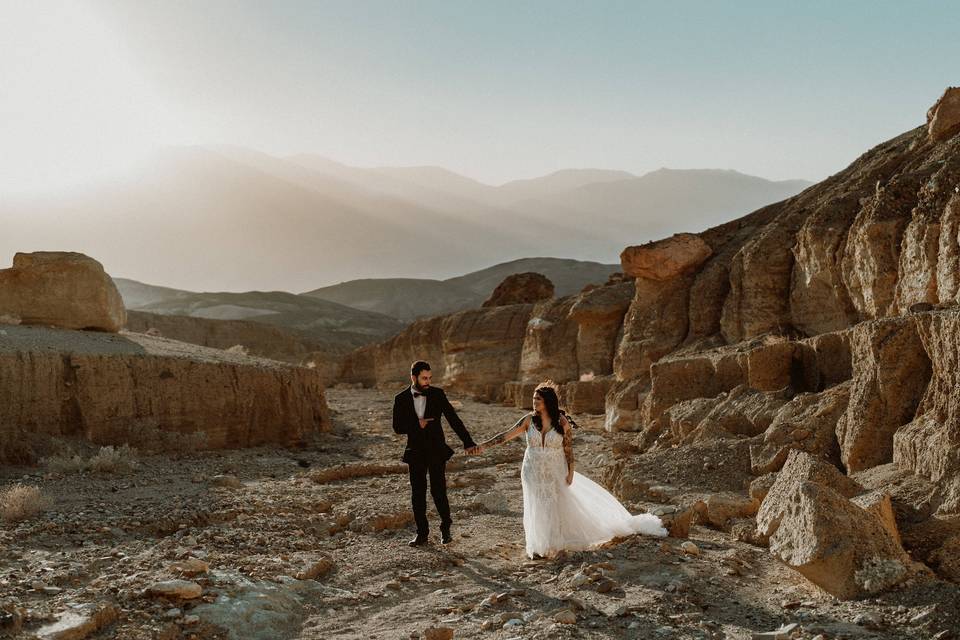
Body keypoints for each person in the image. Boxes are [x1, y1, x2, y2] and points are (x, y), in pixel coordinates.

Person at [476, 382, 666, 558]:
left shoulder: (562, 422)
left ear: (547, 402)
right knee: (536, 504)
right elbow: (505, 436)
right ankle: (538, 546)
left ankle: (555, 544)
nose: (534, 402)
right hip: (531, 469)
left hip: (555, 469)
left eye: (538, 399)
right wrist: (483, 446)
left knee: (554, 505)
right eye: (533, 399)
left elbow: (568, 449)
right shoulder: (527, 420)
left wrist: (571, 472)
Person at [392, 360, 479, 546]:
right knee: (418, 494)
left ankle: (445, 528)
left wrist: (467, 441)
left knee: (439, 491)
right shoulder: (400, 399)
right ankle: (422, 534)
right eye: (424, 378)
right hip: (415, 452)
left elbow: (453, 419)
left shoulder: (438, 394)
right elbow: (397, 427)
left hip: (436, 450)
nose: (428, 381)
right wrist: (417, 424)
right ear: (413, 377)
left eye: (430, 378)